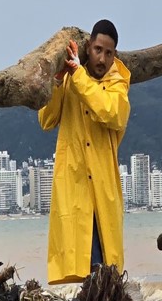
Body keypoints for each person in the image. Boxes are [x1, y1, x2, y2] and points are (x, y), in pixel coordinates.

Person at [38, 19, 131, 284]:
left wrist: (77, 74)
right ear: (88, 47)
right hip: (75, 186)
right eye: (98, 49)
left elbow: (109, 112)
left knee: (105, 271)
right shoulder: (70, 80)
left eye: (109, 52)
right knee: (83, 269)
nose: (102, 58)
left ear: (115, 55)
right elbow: (46, 120)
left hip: (102, 189)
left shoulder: (118, 87)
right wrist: (57, 81)